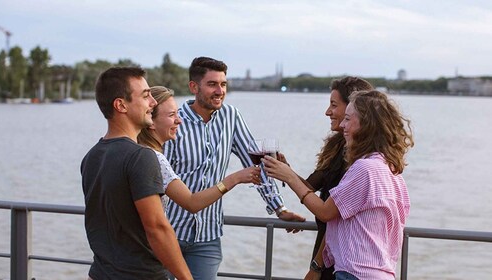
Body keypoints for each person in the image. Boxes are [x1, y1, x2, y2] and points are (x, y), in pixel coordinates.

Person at [163, 56, 305, 280]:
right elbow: (159, 180)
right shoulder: (173, 121)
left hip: (207, 239)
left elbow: (255, 164)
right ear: (193, 87)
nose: (220, 91)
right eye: (212, 84)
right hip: (169, 234)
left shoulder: (231, 116)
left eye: (223, 84)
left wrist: (279, 208)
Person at [264, 90, 414, 280]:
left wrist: (291, 178)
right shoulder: (391, 170)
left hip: (356, 273)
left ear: (366, 125)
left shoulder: (365, 168)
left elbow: (326, 212)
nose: (342, 124)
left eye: (348, 119)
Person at [80, 67, 192, 280]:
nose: (152, 103)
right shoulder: (141, 157)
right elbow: (157, 227)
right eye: (145, 95)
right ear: (121, 105)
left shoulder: (91, 157)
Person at [137, 86, 262, 213]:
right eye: (171, 115)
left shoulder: (138, 152)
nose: (179, 120)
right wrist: (235, 178)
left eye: (177, 113)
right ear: (150, 121)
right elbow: (192, 203)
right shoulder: (155, 159)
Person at [303, 77, 374, 280]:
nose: (328, 112)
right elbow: (309, 187)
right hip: (330, 254)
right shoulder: (338, 146)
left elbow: (334, 215)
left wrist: (316, 266)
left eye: (334, 105)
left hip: (337, 259)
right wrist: (281, 169)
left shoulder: (360, 159)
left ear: (355, 108)